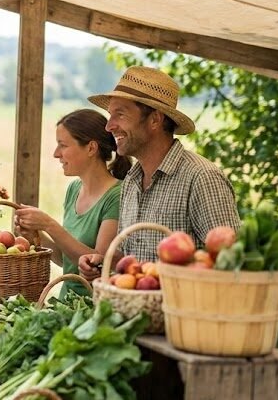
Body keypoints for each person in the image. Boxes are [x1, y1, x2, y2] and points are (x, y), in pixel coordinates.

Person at [78, 66, 241, 278]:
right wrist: (103, 263)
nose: (109, 126)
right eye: (110, 115)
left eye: (120, 114)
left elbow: (232, 265)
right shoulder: (131, 180)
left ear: (155, 119)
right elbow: (133, 259)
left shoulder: (202, 178)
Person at [14, 109, 130, 298]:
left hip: (94, 307)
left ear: (91, 148)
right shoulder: (74, 189)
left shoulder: (117, 196)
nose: (56, 154)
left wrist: (48, 224)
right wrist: (37, 236)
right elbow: (65, 259)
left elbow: (97, 264)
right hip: (65, 302)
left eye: (63, 145)